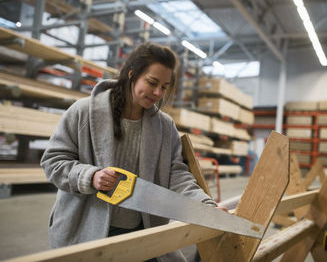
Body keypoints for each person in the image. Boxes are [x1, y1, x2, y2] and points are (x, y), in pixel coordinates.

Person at [41, 42, 220, 261]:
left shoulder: (164, 126)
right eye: (152, 82)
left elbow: (176, 175)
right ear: (132, 74)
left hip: (141, 231)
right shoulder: (83, 112)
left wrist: (206, 205)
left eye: (164, 87)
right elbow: (53, 161)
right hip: (88, 231)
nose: (157, 93)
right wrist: (91, 176)